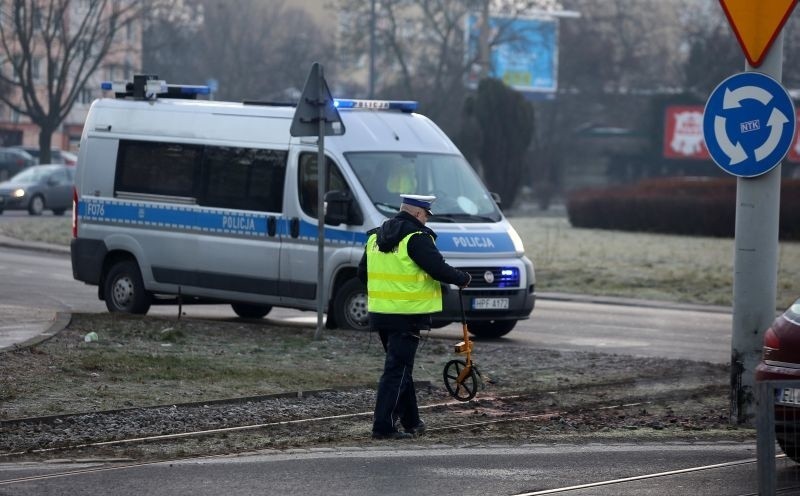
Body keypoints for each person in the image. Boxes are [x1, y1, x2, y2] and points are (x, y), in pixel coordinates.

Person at [358, 194, 471, 440]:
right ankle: (383, 427)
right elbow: (437, 268)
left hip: (381, 313)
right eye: (426, 216)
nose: (426, 221)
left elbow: (361, 272)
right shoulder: (416, 238)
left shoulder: (375, 237)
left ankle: (412, 422)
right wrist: (462, 278)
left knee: (401, 369)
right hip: (407, 314)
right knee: (396, 371)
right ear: (419, 214)